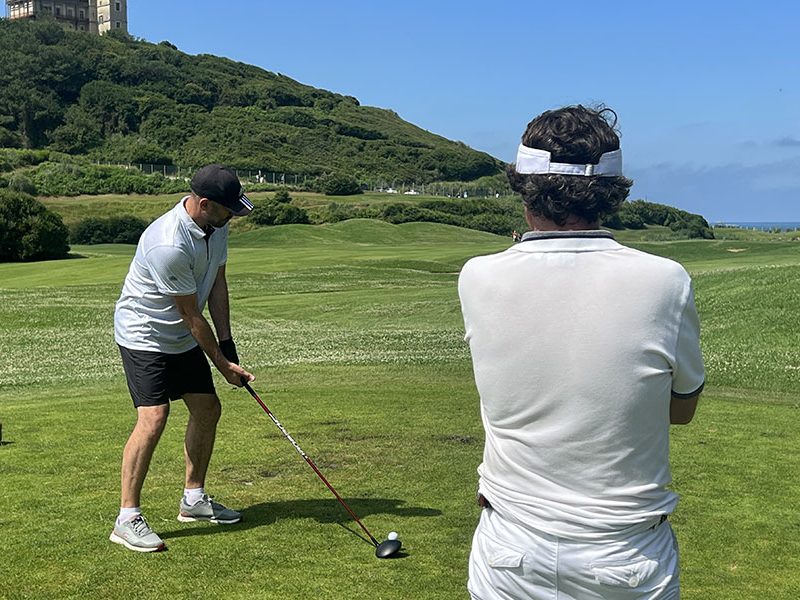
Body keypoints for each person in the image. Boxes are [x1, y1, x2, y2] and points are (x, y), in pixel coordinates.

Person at [458, 106, 704, 599]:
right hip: (625, 553)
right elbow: (682, 410)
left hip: (511, 545)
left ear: (523, 187)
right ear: (611, 191)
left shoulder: (478, 276)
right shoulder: (665, 280)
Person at [110, 164, 256, 552]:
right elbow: (191, 315)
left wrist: (228, 347)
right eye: (228, 210)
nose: (233, 217)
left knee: (208, 409)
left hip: (181, 333)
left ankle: (193, 501)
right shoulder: (168, 243)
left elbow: (218, 284)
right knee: (154, 417)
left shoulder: (216, 227)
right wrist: (223, 367)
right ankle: (126, 518)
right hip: (146, 334)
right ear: (205, 204)